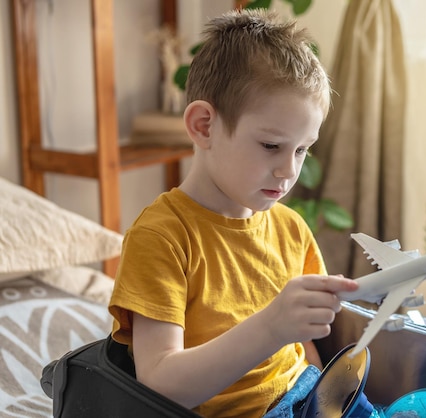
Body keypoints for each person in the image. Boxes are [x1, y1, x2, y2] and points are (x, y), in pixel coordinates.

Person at [108, 8, 358, 418]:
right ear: (204, 126)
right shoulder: (163, 236)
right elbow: (159, 386)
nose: (289, 171)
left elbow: (306, 351)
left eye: (301, 149)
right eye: (270, 146)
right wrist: (270, 327)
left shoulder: (290, 228)